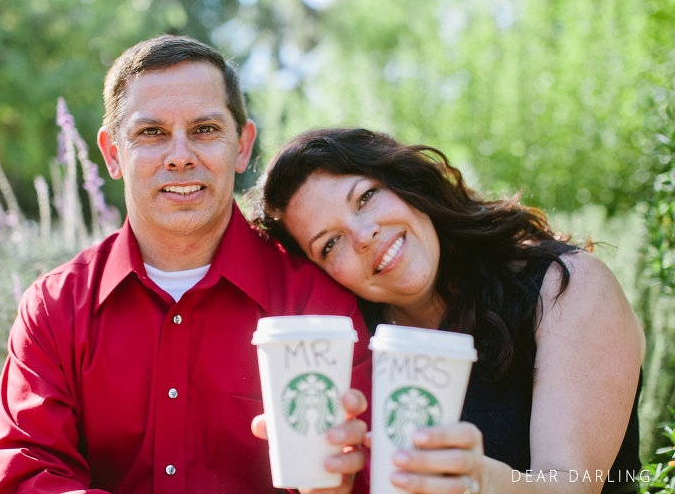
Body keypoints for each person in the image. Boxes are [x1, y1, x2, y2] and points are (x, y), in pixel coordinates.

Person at [0, 36, 372, 494]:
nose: (181, 156)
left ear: (242, 146)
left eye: (205, 130)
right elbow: (25, 475)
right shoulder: (54, 309)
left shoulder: (316, 304)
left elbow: (369, 470)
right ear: (111, 153)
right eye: (152, 133)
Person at [254, 128, 644, 494]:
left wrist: (479, 480)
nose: (363, 235)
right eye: (330, 243)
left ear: (407, 183)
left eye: (366, 197)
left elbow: (572, 484)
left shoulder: (565, 286)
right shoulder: (351, 351)